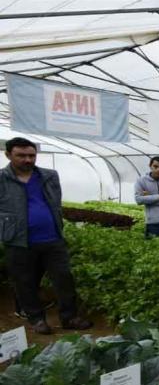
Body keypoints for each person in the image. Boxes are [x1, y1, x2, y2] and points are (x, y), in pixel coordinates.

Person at [0, 137, 92, 334]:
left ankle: (69, 317)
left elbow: (55, 202)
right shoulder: (2, 179)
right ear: (8, 155)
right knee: (25, 282)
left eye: (31, 155)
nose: (27, 159)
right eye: (21, 155)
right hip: (18, 241)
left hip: (53, 239)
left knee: (64, 278)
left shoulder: (49, 176)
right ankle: (37, 319)